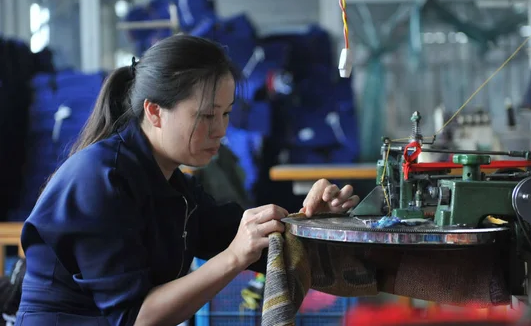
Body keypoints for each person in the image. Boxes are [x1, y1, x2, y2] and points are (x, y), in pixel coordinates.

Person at [15, 35, 359, 326]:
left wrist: (310, 221)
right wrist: (233, 257)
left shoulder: (173, 187)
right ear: (154, 112)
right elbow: (137, 317)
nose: (221, 130)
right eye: (207, 115)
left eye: (225, 114)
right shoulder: (101, 180)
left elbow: (250, 240)